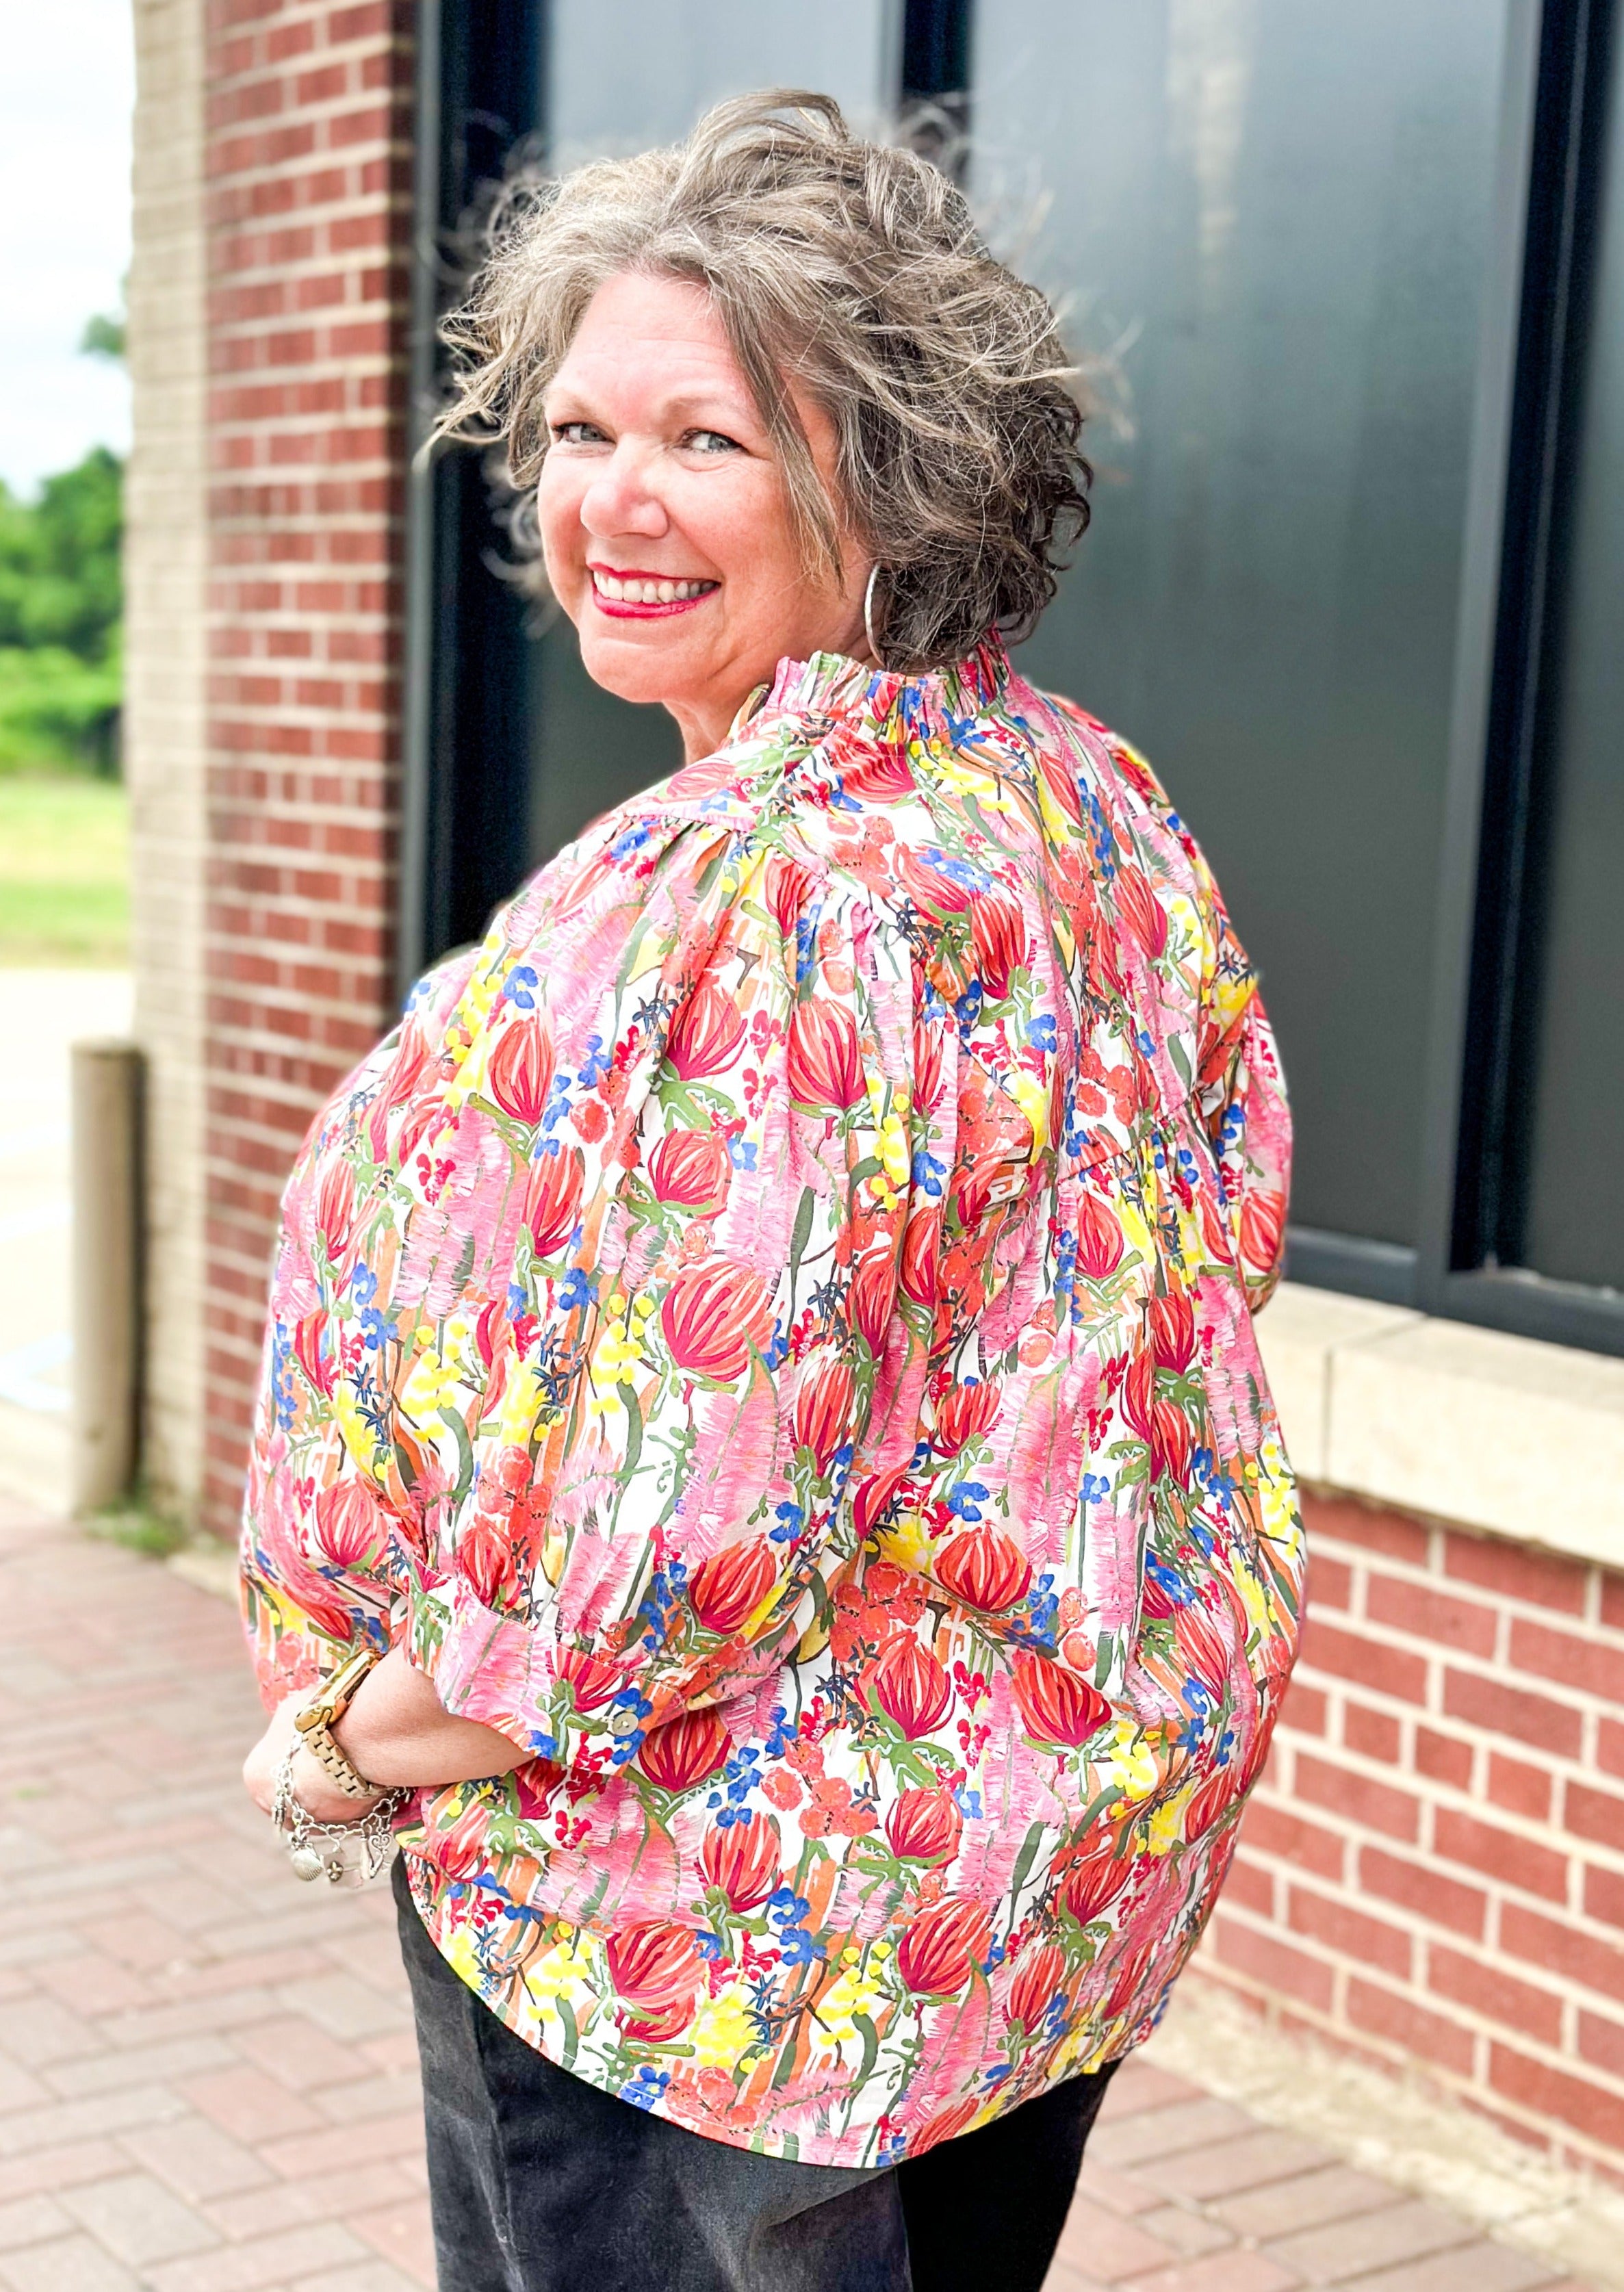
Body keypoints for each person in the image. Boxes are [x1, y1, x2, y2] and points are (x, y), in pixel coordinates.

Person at [240, 90, 1302, 2292]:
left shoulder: (785, 893)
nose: (616, 504)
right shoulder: (1070, 788)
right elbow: (1215, 1218)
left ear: (891, 486)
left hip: (702, 1949)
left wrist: (356, 1746)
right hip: (1008, 1901)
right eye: (580, 431)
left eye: (709, 442)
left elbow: (665, 1557)